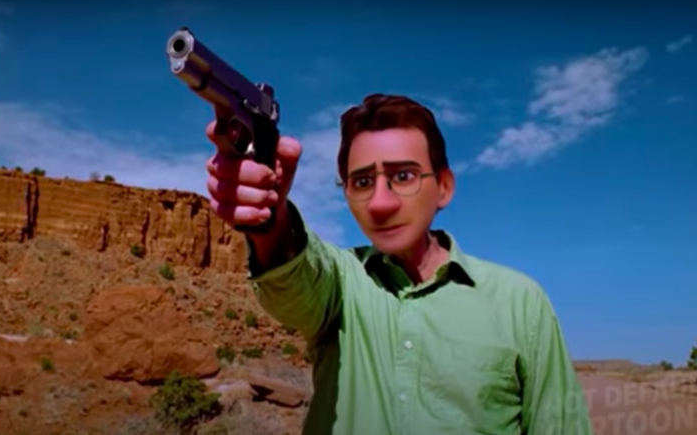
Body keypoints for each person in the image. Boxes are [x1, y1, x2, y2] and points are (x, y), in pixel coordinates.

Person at [204, 94, 593, 435]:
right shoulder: (341, 283)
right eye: (361, 182)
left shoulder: (522, 304)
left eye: (403, 176)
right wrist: (270, 223)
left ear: (444, 187)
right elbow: (294, 283)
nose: (380, 203)